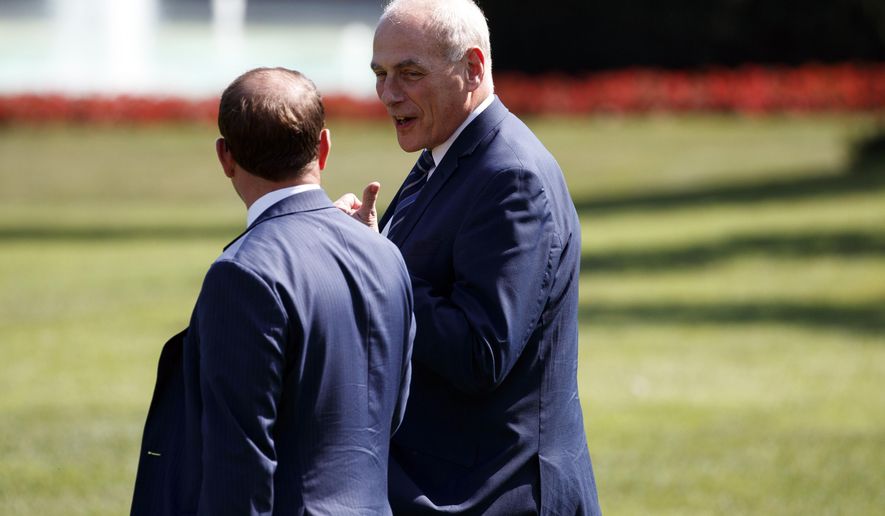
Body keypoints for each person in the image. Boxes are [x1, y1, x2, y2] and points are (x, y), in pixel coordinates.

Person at [337, 0, 603, 513]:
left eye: (410, 73)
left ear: (473, 68)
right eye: (380, 74)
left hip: (497, 494)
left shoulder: (511, 177)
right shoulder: (443, 152)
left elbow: (480, 352)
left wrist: (376, 267)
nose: (389, 94)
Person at [130, 67, 415, 516]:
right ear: (322, 148)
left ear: (225, 158)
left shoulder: (242, 274)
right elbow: (389, 412)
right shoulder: (385, 254)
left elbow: (238, 465)